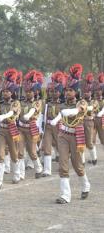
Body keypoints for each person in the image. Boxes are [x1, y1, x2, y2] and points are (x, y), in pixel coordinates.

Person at [50, 64, 90, 204]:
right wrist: (55, 121)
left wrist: (67, 112)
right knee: (63, 164)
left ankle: (85, 185)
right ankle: (65, 195)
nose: (67, 92)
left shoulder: (82, 102)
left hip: (76, 136)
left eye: (71, 90)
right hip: (63, 136)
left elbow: (78, 111)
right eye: (66, 90)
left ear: (76, 91)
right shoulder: (62, 105)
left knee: (78, 165)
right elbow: (60, 116)